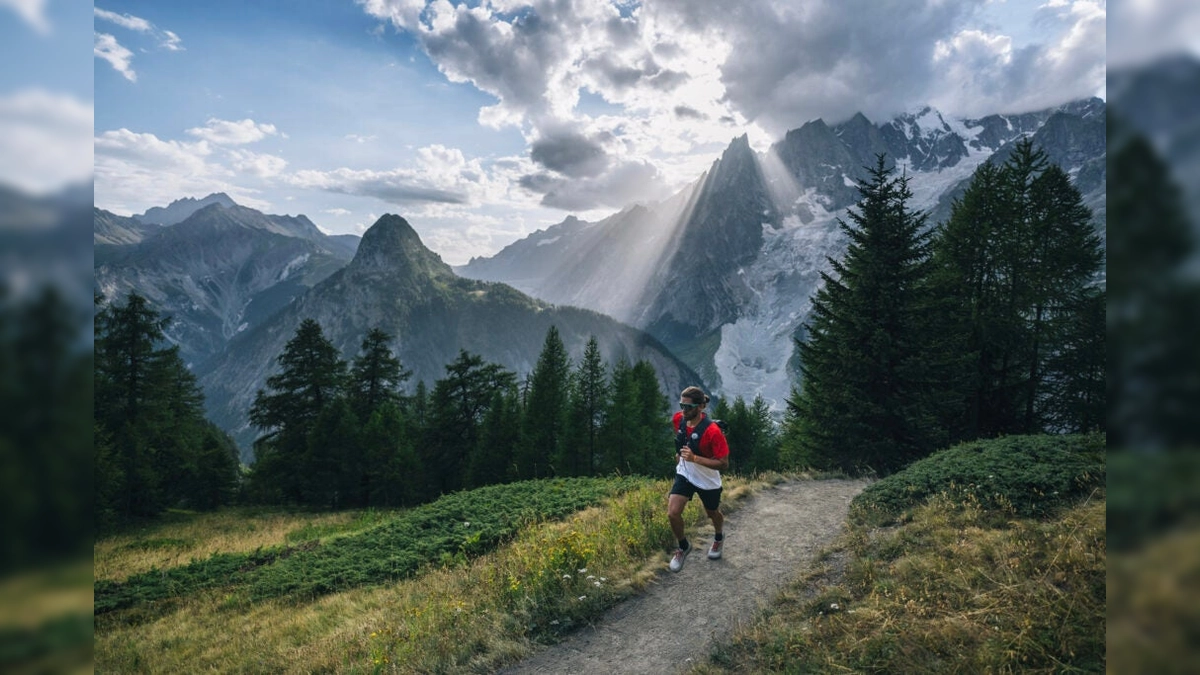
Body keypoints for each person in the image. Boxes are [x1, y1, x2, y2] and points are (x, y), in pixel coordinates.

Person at [667, 386, 729, 572]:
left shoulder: (713, 432)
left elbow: (723, 463)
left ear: (701, 407)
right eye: (681, 406)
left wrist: (695, 459)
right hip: (685, 474)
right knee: (673, 513)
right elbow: (680, 438)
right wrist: (680, 456)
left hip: (707, 479)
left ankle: (718, 537)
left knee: (712, 513)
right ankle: (683, 546)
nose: (683, 411)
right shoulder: (679, 419)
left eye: (688, 407)